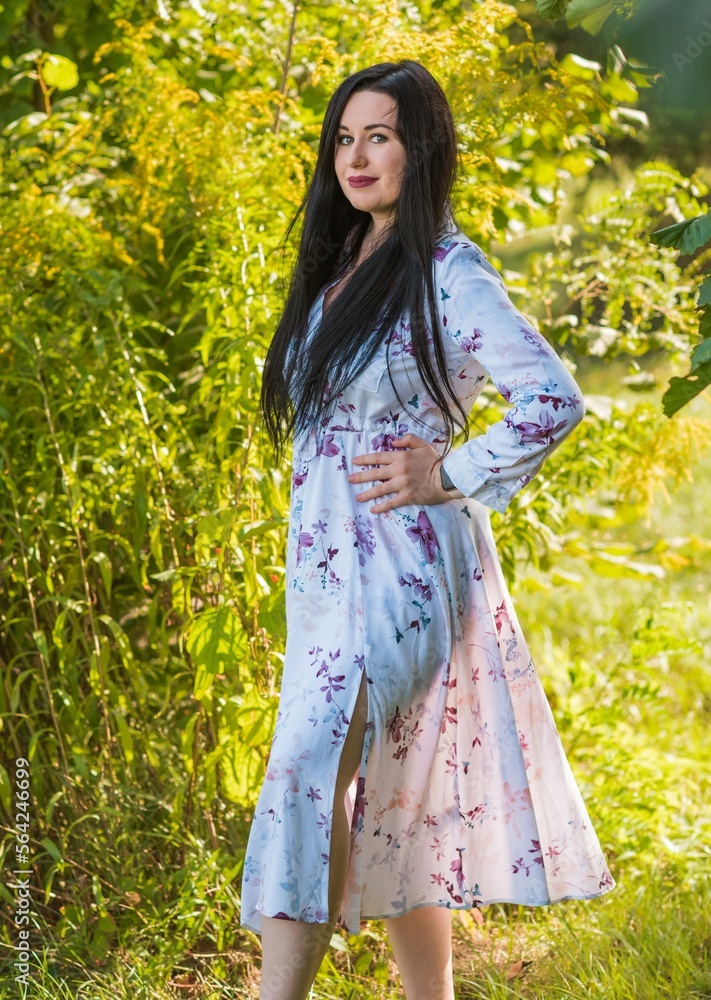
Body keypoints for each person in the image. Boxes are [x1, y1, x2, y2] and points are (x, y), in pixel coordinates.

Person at [244, 59, 615, 1000]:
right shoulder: (340, 264)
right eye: (343, 138)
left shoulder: (449, 270)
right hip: (326, 582)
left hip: (399, 574)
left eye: (380, 136)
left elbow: (552, 398)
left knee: (304, 775)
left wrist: (447, 472)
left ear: (423, 148)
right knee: (396, 794)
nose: (356, 157)